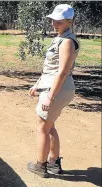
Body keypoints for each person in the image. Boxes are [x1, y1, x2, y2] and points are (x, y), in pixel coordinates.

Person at [27, 4, 80, 178]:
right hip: (54, 86)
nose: (53, 23)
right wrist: (38, 84)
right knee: (49, 126)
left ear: (69, 22)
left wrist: (50, 96)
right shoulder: (62, 38)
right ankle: (53, 163)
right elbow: (50, 68)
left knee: (42, 127)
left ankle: (40, 165)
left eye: (58, 21)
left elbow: (62, 72)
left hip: (56, 89)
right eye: (52, 20)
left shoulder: (66, 42)